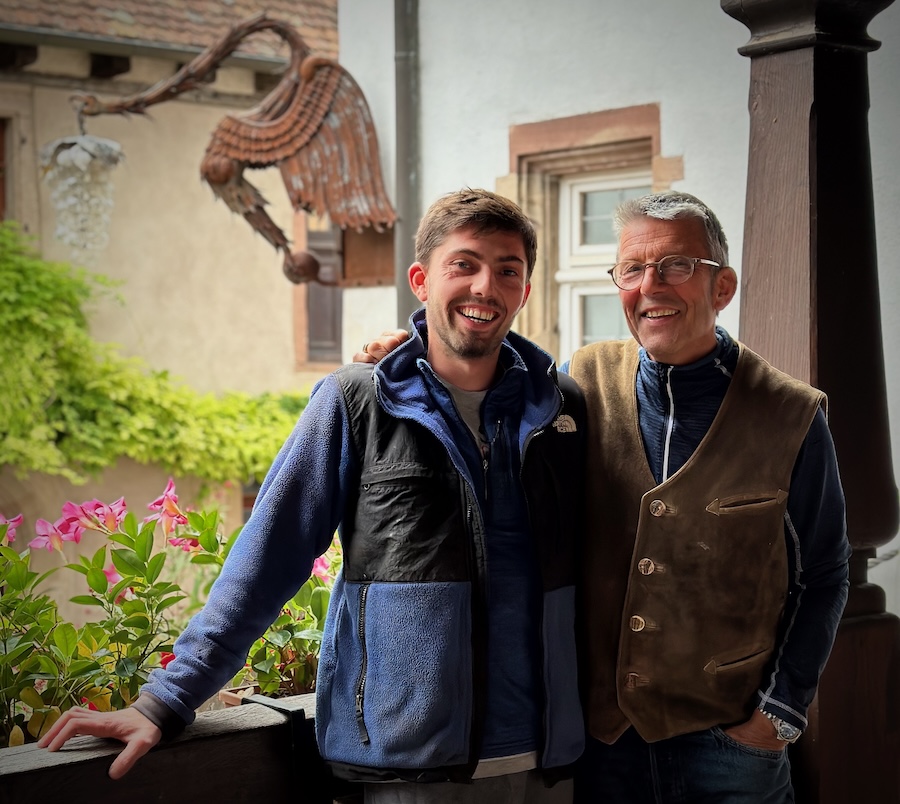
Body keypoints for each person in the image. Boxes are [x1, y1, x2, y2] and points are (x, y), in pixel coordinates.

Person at [39, 188, 587, 803]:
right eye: (464, 264)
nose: (486, 286)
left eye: (507, 270)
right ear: (422, 281)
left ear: (526, 290)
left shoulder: (562, 410)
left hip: (550, 764)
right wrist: (167, 699)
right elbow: (268, 558)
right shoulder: (356, 402)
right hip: (410, 769)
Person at [358, 190, 851, 804]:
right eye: (632, 270)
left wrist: (774, 720)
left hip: (731, 754)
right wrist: (411, 351)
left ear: (721, 287)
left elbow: (824, 576)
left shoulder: (792, 415)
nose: (652, 286)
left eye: (676, 266)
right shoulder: (580, 385)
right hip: (598, 749)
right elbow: (488, 379)